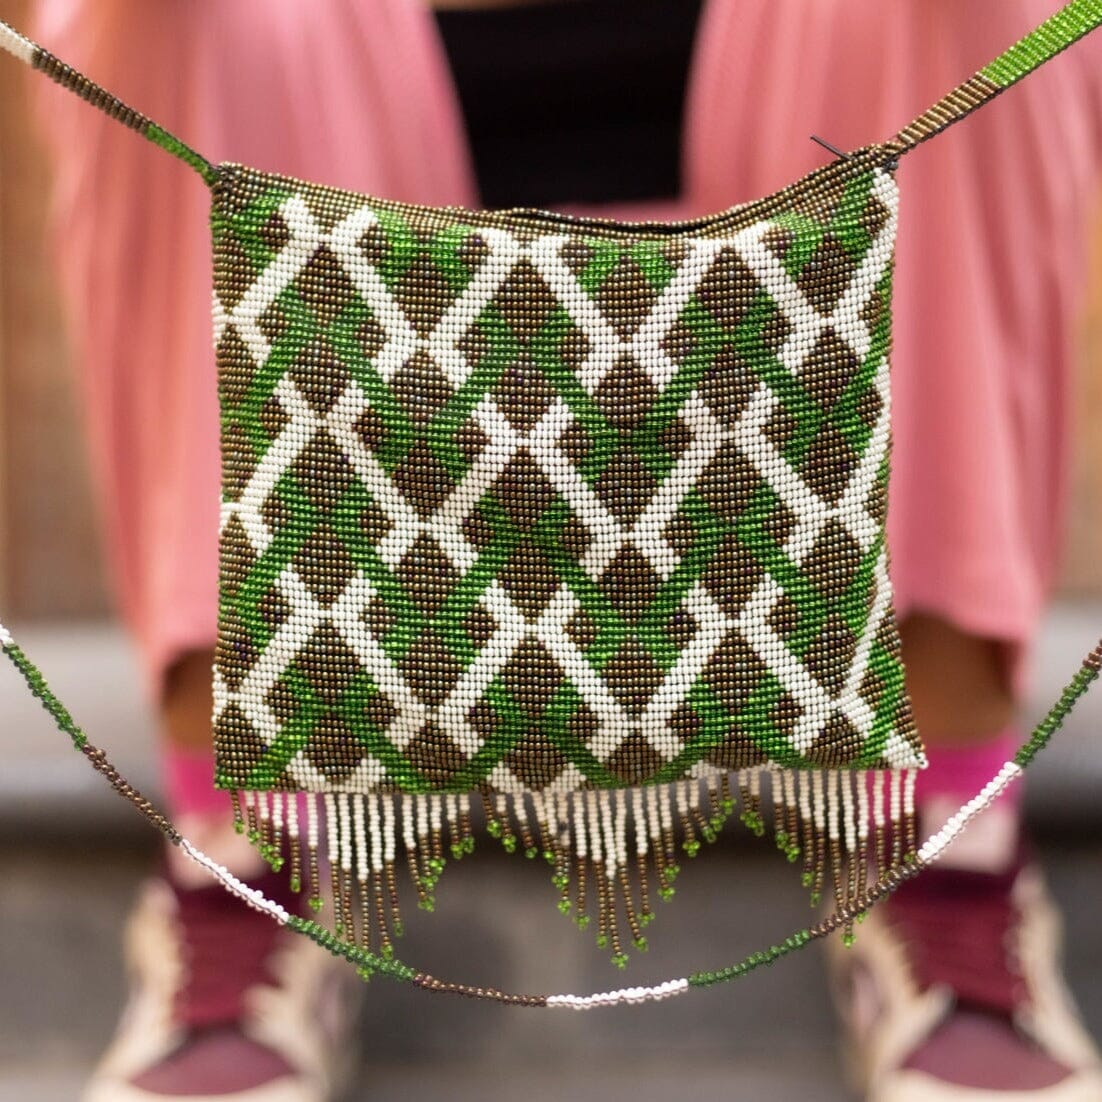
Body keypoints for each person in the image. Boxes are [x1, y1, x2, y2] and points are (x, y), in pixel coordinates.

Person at [29, 1, 1102, 1099]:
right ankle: (250, 845)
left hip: (793, 192)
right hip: (351, 210)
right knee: (175, 17)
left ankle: (941, 827)